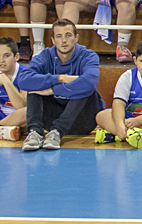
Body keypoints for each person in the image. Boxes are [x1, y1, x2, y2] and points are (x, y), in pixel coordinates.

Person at [15, 18, 103, 151]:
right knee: (34, 88)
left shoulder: (88, 56)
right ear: (53, 40)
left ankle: (57, 132)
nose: (64, 40)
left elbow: (90, 83)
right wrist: (60, 78)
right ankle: (36, 132)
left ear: (76, 38)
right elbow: (23, 80)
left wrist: (54, 90)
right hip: (51, 118)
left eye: (68, 35)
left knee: (83, 88)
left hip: (83, 119)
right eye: (59, 36)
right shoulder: (45, 56)